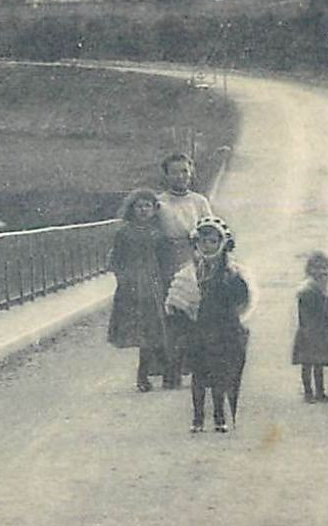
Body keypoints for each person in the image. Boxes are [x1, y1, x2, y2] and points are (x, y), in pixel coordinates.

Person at [167, 215, 252, 433]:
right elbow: (178, 300)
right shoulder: (190, 273)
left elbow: (242, 299)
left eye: (213, 241)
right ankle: (197, 417)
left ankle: (219, 415)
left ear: (222, 243)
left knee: (220, 375)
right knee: (199, 375)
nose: (208, 246)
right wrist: (184, 314)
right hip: (198, 330)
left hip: (223, 330)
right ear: (197, 244)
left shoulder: (232, 272)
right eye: (203, 241)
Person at [107, 188, 177, 391]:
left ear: (155, 209)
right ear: (132, 209)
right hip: (132, 288)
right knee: (143, 333)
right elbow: (116, 260)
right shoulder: (124, 233)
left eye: (148, 206)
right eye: (139, 206)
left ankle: (163, 373)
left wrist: (167, 283)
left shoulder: (159, 234)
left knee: (158, 330)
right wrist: (123, 278)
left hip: (155, 287)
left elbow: (166, 262)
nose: (144, 210)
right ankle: (145, 375)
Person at [293, 250, 328, 403]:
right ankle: (308, 392)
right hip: (309, 331)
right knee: (308, 363)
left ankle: (320, 392)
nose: (320, 272)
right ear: (309, 270)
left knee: (319, 364)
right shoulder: (306, 291)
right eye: (316, 268)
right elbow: (308, 313)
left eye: (324, 268)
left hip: (323, 331)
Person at [154, 153, 212, 274]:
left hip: (195, 257)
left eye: (184, 171)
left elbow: (210, 232)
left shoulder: (200, 201)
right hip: (168, 259)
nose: (180, 176)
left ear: (191, 173)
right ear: (166, 175)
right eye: (174, 172)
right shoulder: (158, 202)